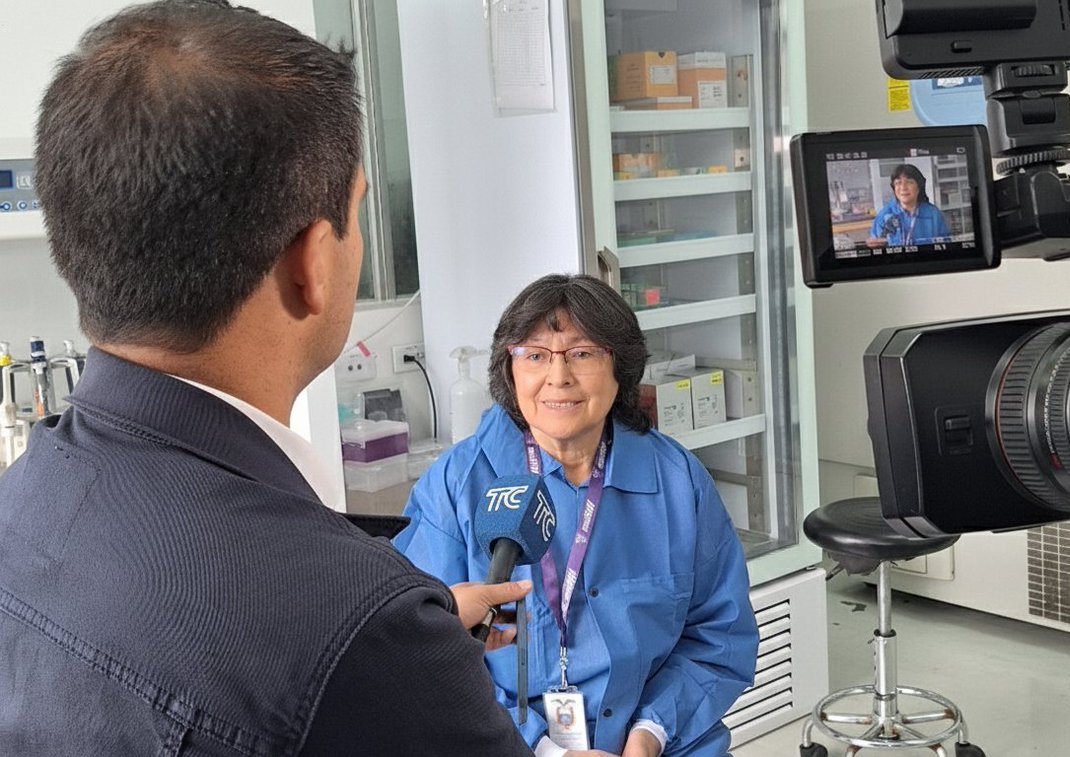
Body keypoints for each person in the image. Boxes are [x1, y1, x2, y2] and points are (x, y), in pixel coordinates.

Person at [0, 2, 535, 755]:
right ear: (312, 262)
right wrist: (397, 654)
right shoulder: (364, 634)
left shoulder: (24, 500)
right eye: (356, 212)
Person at [393, 274, 759, 757]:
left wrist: (650, 732)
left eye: (582, 353)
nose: (558, 376)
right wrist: (546, 750)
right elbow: (421, 655)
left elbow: (719, 635)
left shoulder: (677, 480)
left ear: (620, 367)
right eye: (535, 355)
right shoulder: (456, 485)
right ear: (510, 369)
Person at [866, 163, 951, 247]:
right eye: (898, 183)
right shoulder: (884, 215)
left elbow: (946, 244)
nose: (903, 187)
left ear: (919, 187)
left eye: (909, 182)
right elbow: (877, 247)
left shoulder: (934, 214)